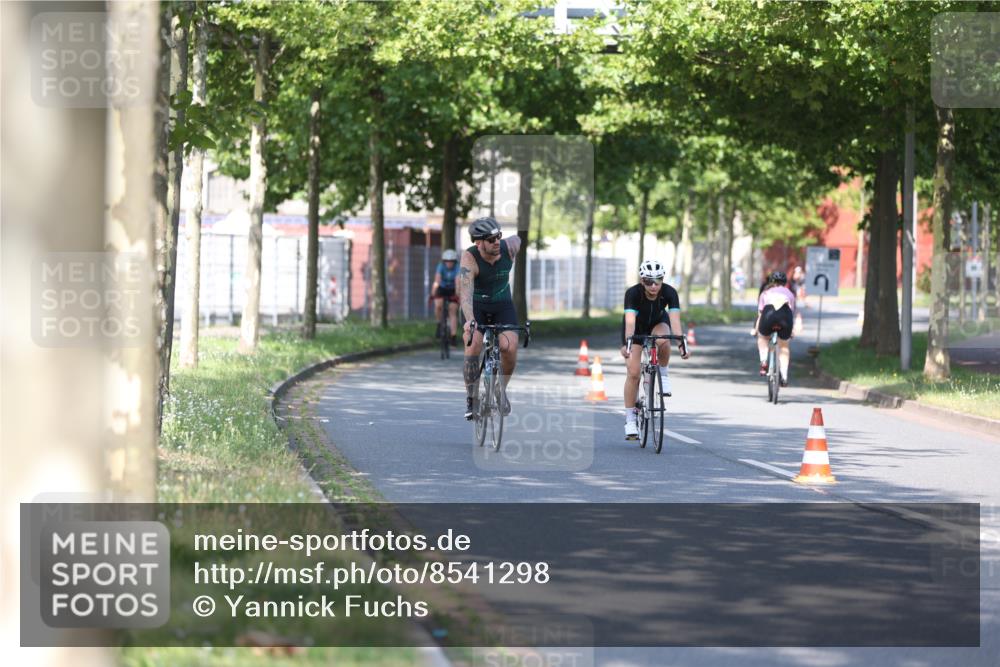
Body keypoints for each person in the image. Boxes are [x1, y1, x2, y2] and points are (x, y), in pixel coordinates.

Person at [458, 217, 523, 420]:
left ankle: (499, 388)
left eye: (498, 236)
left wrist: (512, 239)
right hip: (477, 305)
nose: (497, 241)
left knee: (510, 346)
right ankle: (472, 398)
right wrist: (470, 320)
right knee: (473, 343)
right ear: (478, 243)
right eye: (491, 238)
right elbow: (466, 294)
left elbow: (518, 239)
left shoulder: (509, 248)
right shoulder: (470, 258)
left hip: (502, 304)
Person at [620, 259, 690, 440]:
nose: (653, 286)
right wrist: (627, 343)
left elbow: (674, 321)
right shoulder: (633, 293)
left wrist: (682, 345)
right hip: (636, 328)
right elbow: (629, 322)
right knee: (634, 373)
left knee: (664, 340)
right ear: (642, 280)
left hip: (658, 323)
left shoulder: (669, 292)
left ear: (662, 279)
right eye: (648, 281)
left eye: (657, 281)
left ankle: (663, 374)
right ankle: (630, 420)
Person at [752, 270, 803, 387]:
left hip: (768, 314)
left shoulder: (765, 293)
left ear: (771, 282)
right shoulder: (790, 294)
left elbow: (760, 314)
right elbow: (792, 312)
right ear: (785, 283)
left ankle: (764, 361)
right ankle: (784, 376)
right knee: (784, 346)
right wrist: (793, 329)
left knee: (763, 337)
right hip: (785, 316)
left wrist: (756, 329)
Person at [431, 248, 460, 339]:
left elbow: (458, 280)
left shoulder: (457, 267)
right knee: (438, 305)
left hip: (453, 289)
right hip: (442, 288)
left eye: (451, 261)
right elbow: (437, 279)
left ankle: (453, 336)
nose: (449, 263)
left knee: (453, 310)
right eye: (447, 261)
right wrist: (434, 290)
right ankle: (439, 323)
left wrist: (457, 293)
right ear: (444, 261)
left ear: (454, 261)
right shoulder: (441, 266)